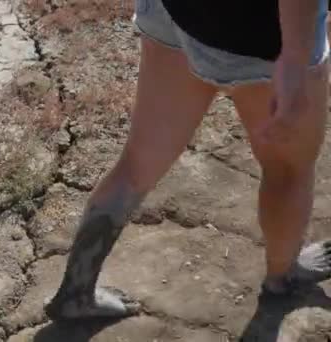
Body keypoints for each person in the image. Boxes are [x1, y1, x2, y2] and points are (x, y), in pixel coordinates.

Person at [44, 0, 331, 320]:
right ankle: (283, 275)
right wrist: (294, 60)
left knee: (139, 161)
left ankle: (76, 290)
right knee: (288, 172)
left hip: (175, 12)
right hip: (265, 34)